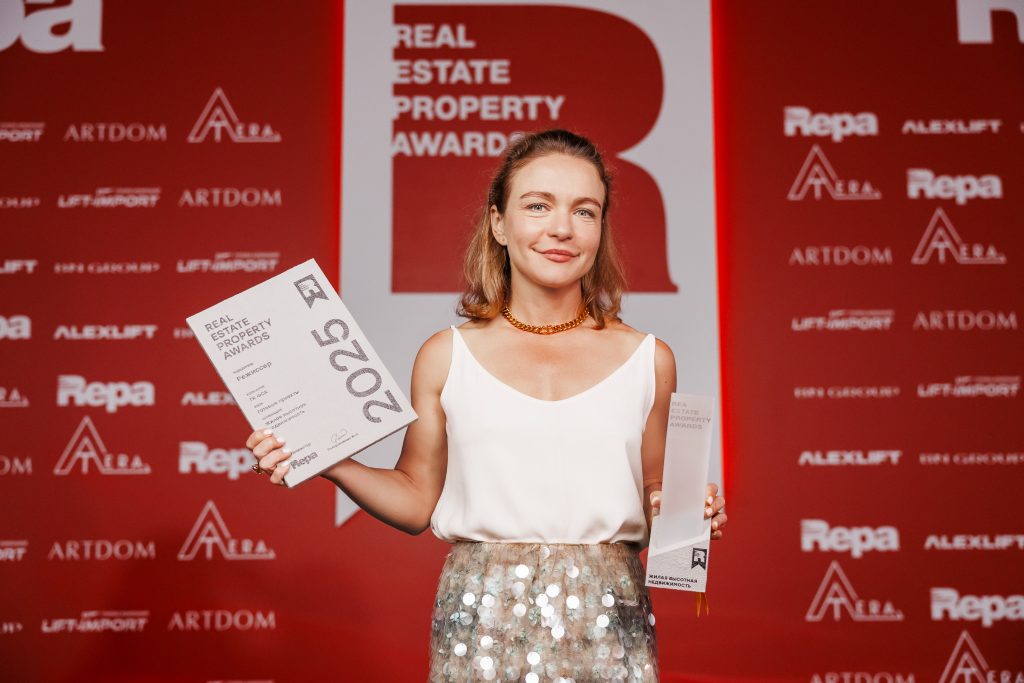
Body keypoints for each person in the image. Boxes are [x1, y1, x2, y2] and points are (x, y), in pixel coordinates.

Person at [245, 129, 728, 682]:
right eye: (538, 205)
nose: (562, 228)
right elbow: (415, 499)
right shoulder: (445, 355)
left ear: (600, 229)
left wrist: (689, 517)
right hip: (480, 624)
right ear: (498, 223)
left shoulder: (650, 360)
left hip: (610, 627)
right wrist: (328, 459)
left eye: (585, 211)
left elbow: (658, 496)